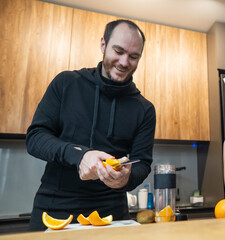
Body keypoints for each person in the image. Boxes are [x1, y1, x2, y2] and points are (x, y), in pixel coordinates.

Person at [26, 19, 156, 230]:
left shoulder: (144, 109)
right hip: (55, 209)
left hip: (112, 215)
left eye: (134, 56)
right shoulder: (66, 83)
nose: (124, 62)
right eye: (118, 51)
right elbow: (35, 138)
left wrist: (125, 179)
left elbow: (142, 164)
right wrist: (80, 156)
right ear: (103, 44)